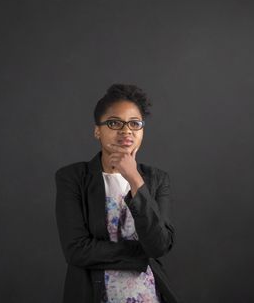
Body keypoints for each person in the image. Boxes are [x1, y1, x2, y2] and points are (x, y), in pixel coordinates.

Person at [55, 83, 181, 303]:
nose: (126, 131)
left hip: (148, 295)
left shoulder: (156, 180)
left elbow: (159, 245)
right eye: (114, 123)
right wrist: (141, 254)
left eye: (135, 124)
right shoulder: (73, 177)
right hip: (94, 294)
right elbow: (77, 250)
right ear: (97, 130)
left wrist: (134, 178)